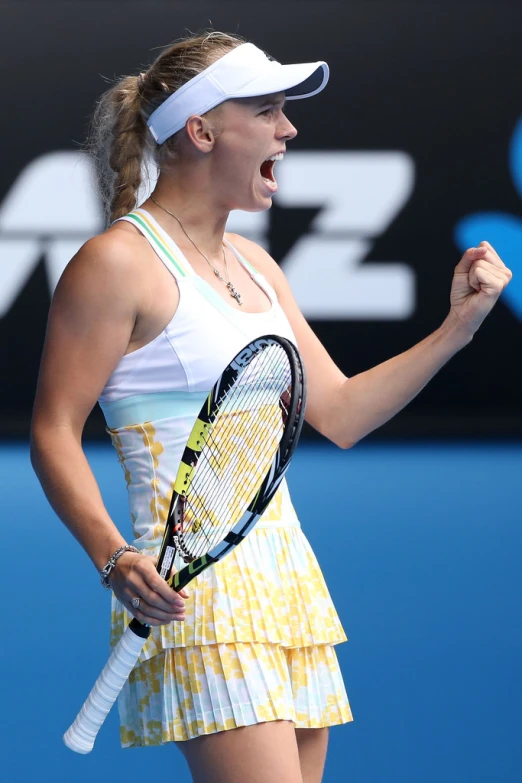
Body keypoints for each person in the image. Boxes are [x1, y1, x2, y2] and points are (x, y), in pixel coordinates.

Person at [30, 30, 512, 783]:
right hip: (197, 599)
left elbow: (343, 413)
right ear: (202, 130)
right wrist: (112, 553)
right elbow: (53, 429)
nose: (288, 129)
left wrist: (459, 328)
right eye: (268, 110)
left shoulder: (256, 264)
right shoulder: (116, 262)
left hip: (287, 579)